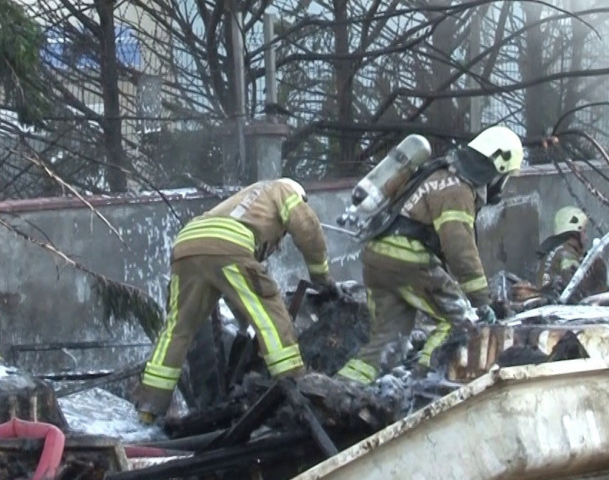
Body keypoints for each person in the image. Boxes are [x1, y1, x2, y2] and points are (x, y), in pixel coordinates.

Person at [133, 178, 335, 423]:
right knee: (271, 315)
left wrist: (244, 324)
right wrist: (322, 278)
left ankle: (148, 407)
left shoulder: (246, 200)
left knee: (177, 329)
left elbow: (233, 288)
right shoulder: (284, 190)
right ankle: (294, 387)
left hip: (186, 245)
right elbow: (308, 229)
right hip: (228, 245)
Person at [336, 126, 524, 384]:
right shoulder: (458, 188)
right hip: (407, 257)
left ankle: (344, 387)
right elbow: (459, 249)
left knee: (388, 340)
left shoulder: (436, 171)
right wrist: (481, 301)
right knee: (461, 321)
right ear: (498, 167)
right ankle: (423, 382)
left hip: (377, 254)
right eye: (506, 177)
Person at [535, 206, 595, 299]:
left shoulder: (556, 249)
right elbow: (576, 285)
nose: (586, 238)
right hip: (553, 302)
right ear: (575, 233)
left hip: (548, 298)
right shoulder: (566, 255)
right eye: (584, 232)